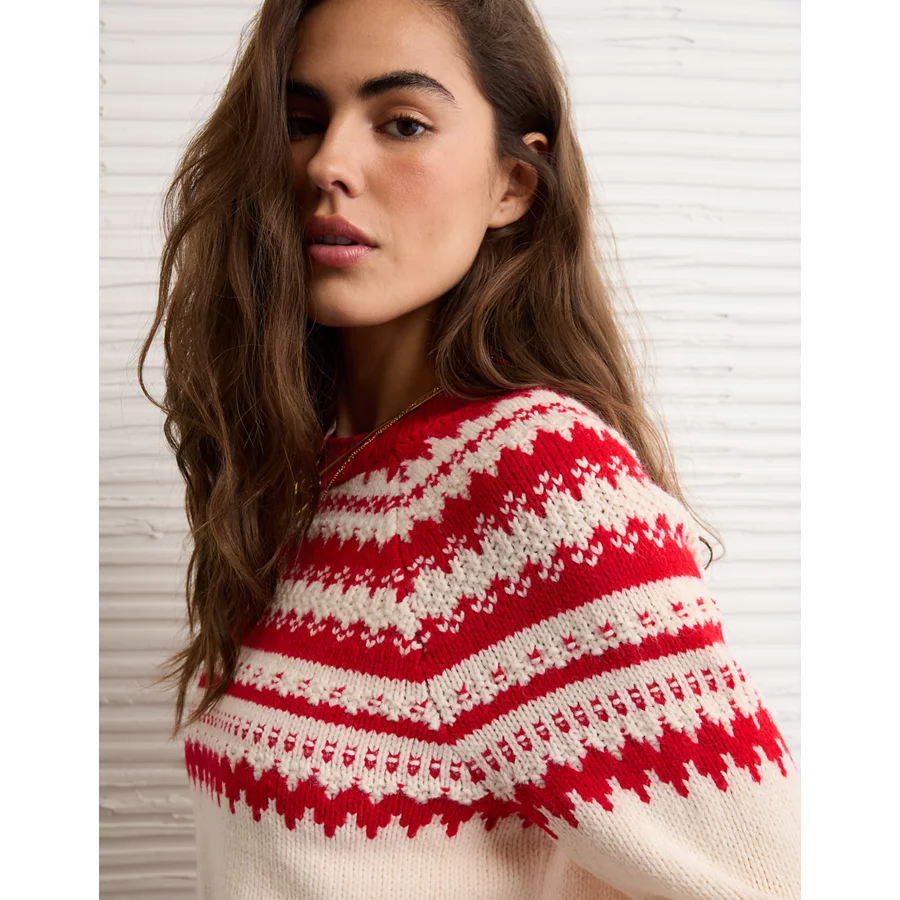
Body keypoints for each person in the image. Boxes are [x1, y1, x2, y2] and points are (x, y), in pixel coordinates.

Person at [138, 0, 801, 898]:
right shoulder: (303, 482)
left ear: (511, 186)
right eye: (299, 122)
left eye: (402, 123)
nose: (328, 163)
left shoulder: (529, 478)